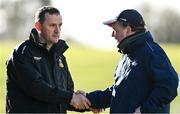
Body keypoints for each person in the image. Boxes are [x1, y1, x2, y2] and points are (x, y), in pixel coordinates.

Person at [84, 9, 179, 113]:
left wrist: (144, 110)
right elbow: (119, 91)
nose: (113, 34)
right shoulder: (127, 55)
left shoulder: (152, 52)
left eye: (115, 30)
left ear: (127, 30)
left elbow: (170, 85)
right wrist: (89, 99)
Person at [6, 6, 91, 113]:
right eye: (52, 25)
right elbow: (36, 88)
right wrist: (71, 97)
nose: (57, 30)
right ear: (38, 26)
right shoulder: (22, 53)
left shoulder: (59, 57)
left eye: (60, 25)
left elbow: (63, 97)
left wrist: (88, 103)